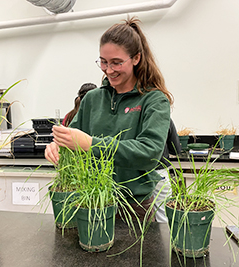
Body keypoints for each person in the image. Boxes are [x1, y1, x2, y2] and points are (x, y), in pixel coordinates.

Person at [45, 16, 174, 222]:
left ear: (136, 58)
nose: (108, 70)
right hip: (92, 201)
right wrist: (57, 146)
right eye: (103, 62)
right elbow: (71, 141)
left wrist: (90, 144)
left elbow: (149, 152)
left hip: (134, 208)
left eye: (116, 62)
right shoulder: (92, 99)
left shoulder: (154, 100)